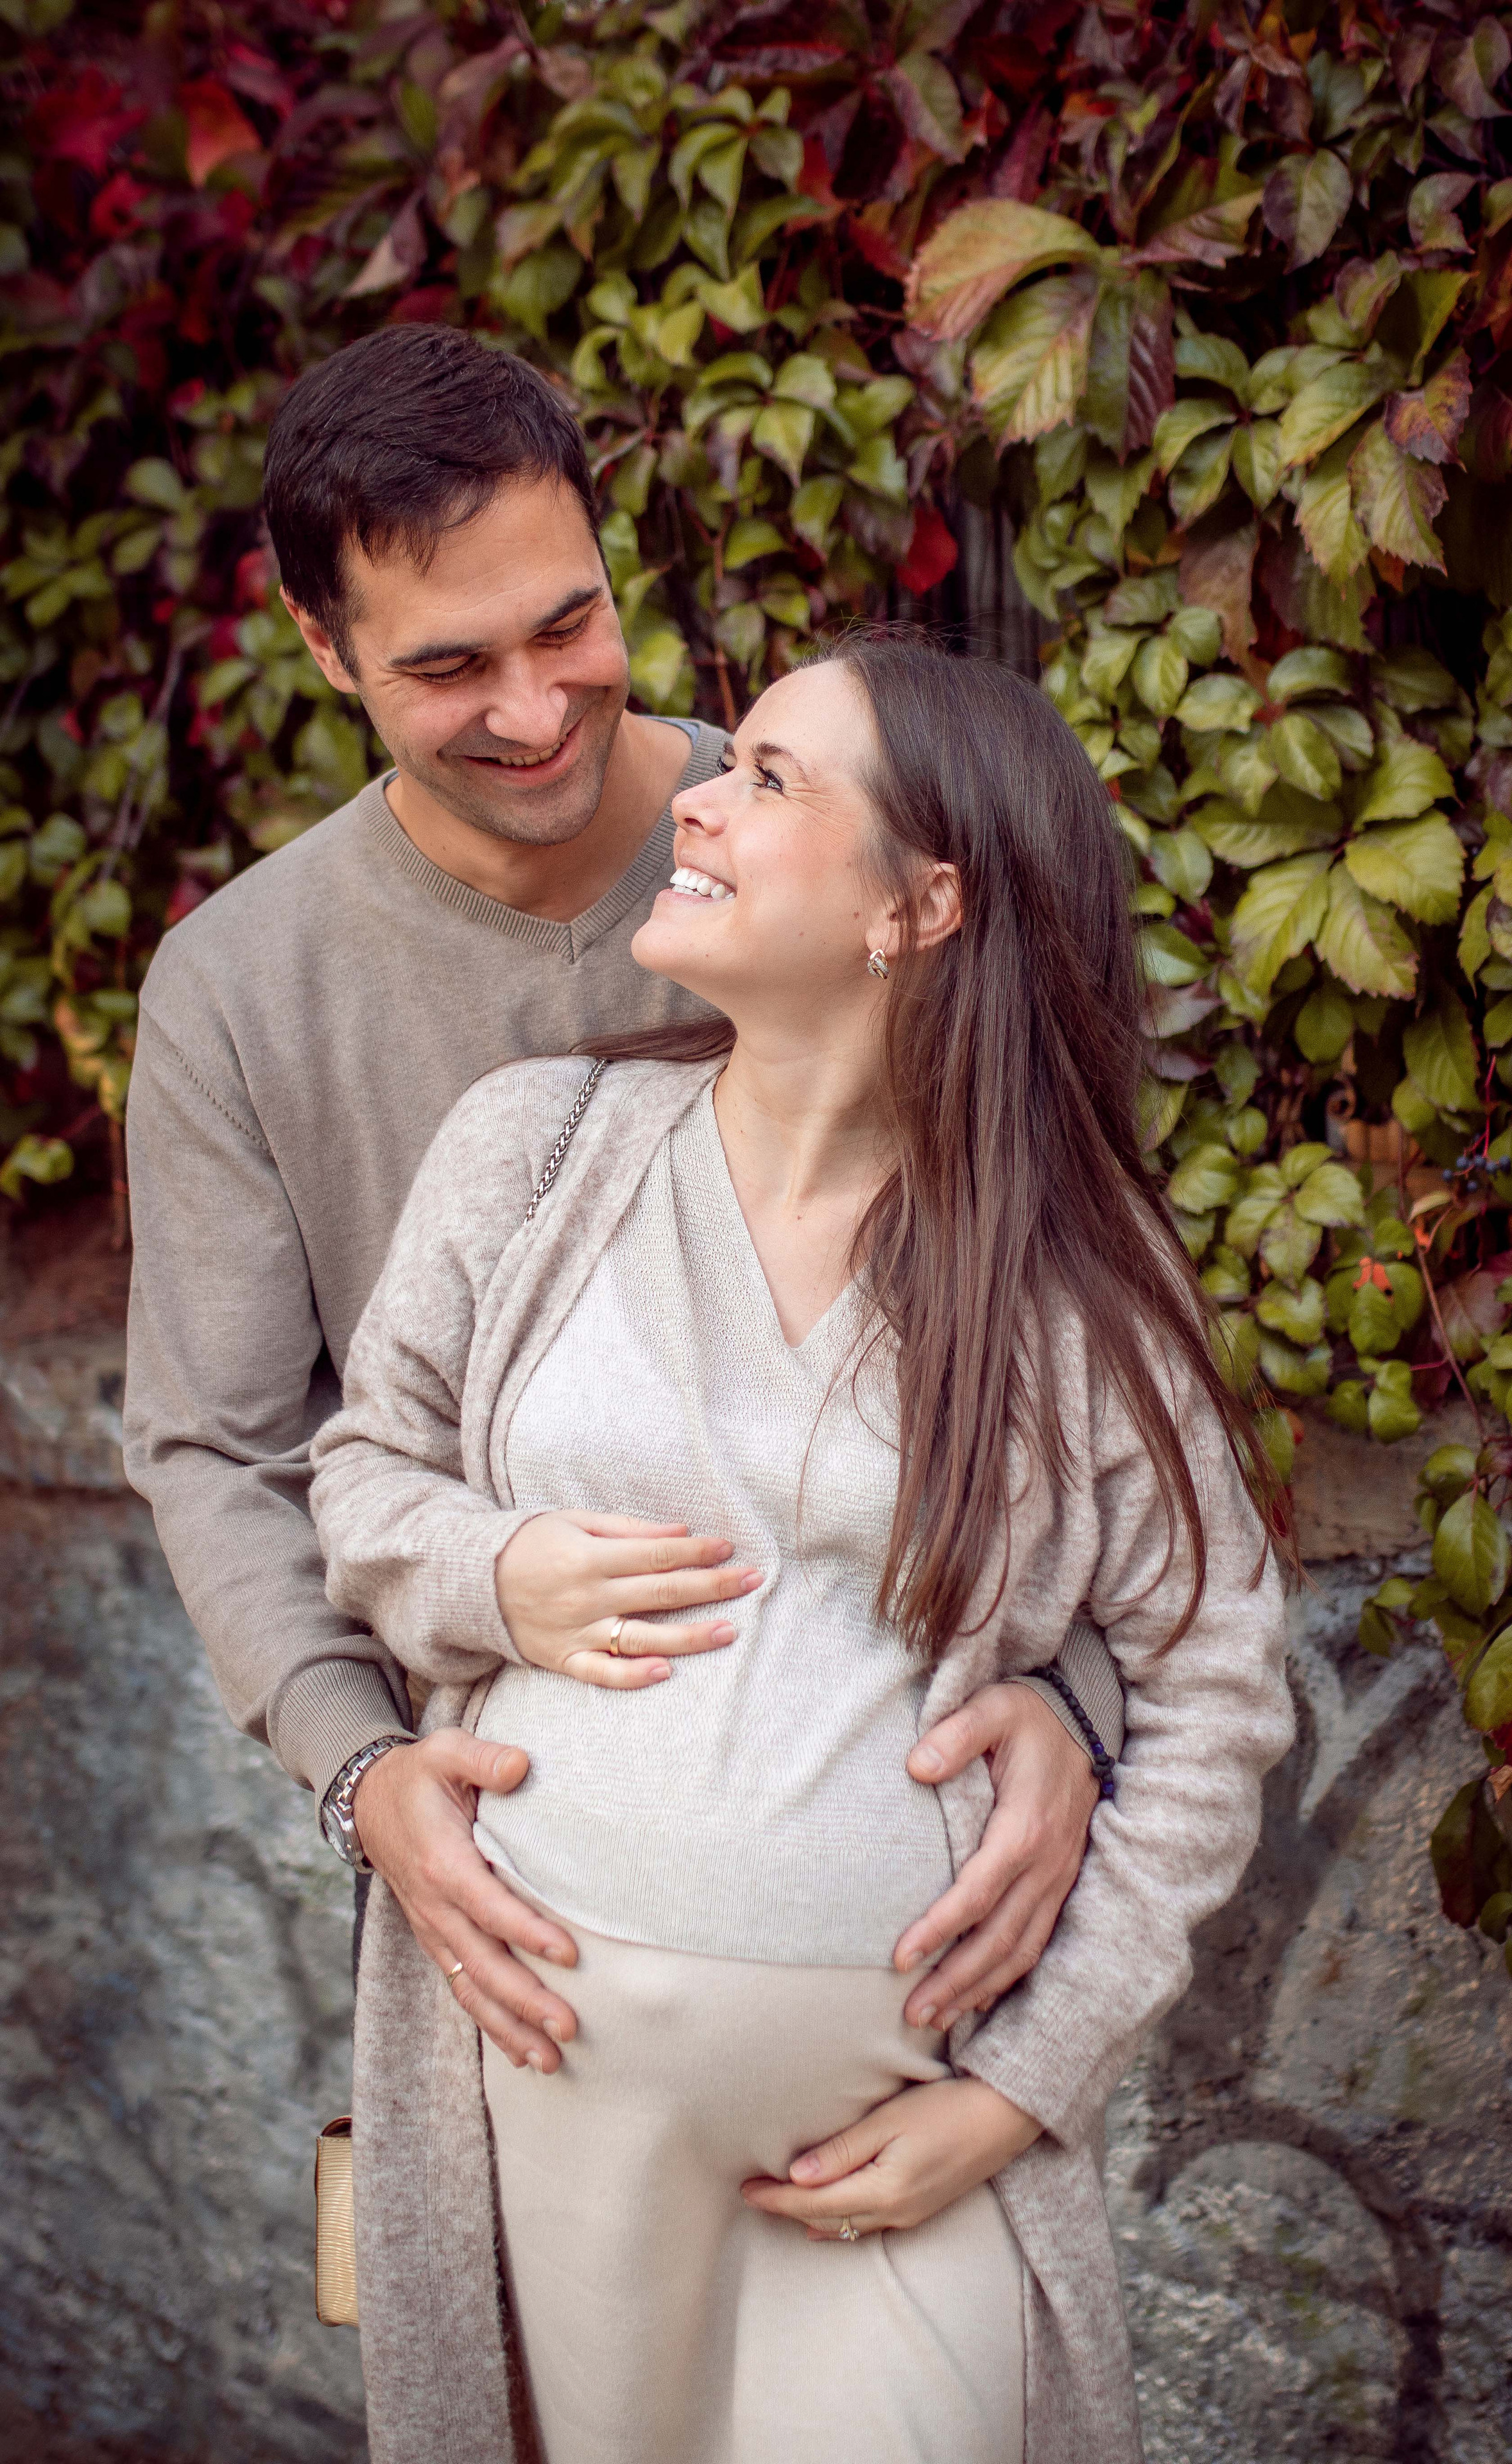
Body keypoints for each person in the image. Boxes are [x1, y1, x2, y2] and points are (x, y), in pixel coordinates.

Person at [309, 637, 1296, 2463]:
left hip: (895, 2132)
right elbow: (364, 1474)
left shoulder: (1068, 1273)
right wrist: (489, 1569)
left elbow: (1217, 1678)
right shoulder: (534, 1148)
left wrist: (1020, 2089)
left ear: (920, 902)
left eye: (770, 777)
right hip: (548, 2088)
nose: (692, 795)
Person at [121, 325, 1117, 2082]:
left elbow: (1066, 1322)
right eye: (448, 666)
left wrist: (1074, 1709)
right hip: (508, 1883)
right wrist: (366, 1776)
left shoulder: (826, 836)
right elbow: (217, 1446)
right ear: (320, 645)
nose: (531, 708)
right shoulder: (239, 990)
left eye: (566, 625)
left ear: (607, 553)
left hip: (909, 1907)